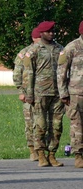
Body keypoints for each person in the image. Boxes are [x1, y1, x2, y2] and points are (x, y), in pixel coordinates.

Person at [23, 20, 64, 167]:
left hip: (58, 94)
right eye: (48, 31)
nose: (52, 33)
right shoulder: (33, 51)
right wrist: (29, 94)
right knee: (40, 125)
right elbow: (29, 73)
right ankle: (40, 154)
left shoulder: (60, 49)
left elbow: (64, 71)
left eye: (53, 31)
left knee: (57, 125)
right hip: (40, 93)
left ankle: (52, 154)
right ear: (41, 33)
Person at [58, 21, 83, 168]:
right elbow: (61, 72)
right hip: (75, 94)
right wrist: (63, 93)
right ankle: (79, 155)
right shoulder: (72, 47)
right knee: (77, 125)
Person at [14, 28, 42, 161]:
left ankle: (43, 149)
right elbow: (17, 74)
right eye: (38, 38)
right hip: (28, 93)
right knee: (30, 121)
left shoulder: (47, 50)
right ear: (33, 38)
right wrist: (21, 91)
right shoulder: (24, 53)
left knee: (43, 122)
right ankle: (32, 150)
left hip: (43, 92)